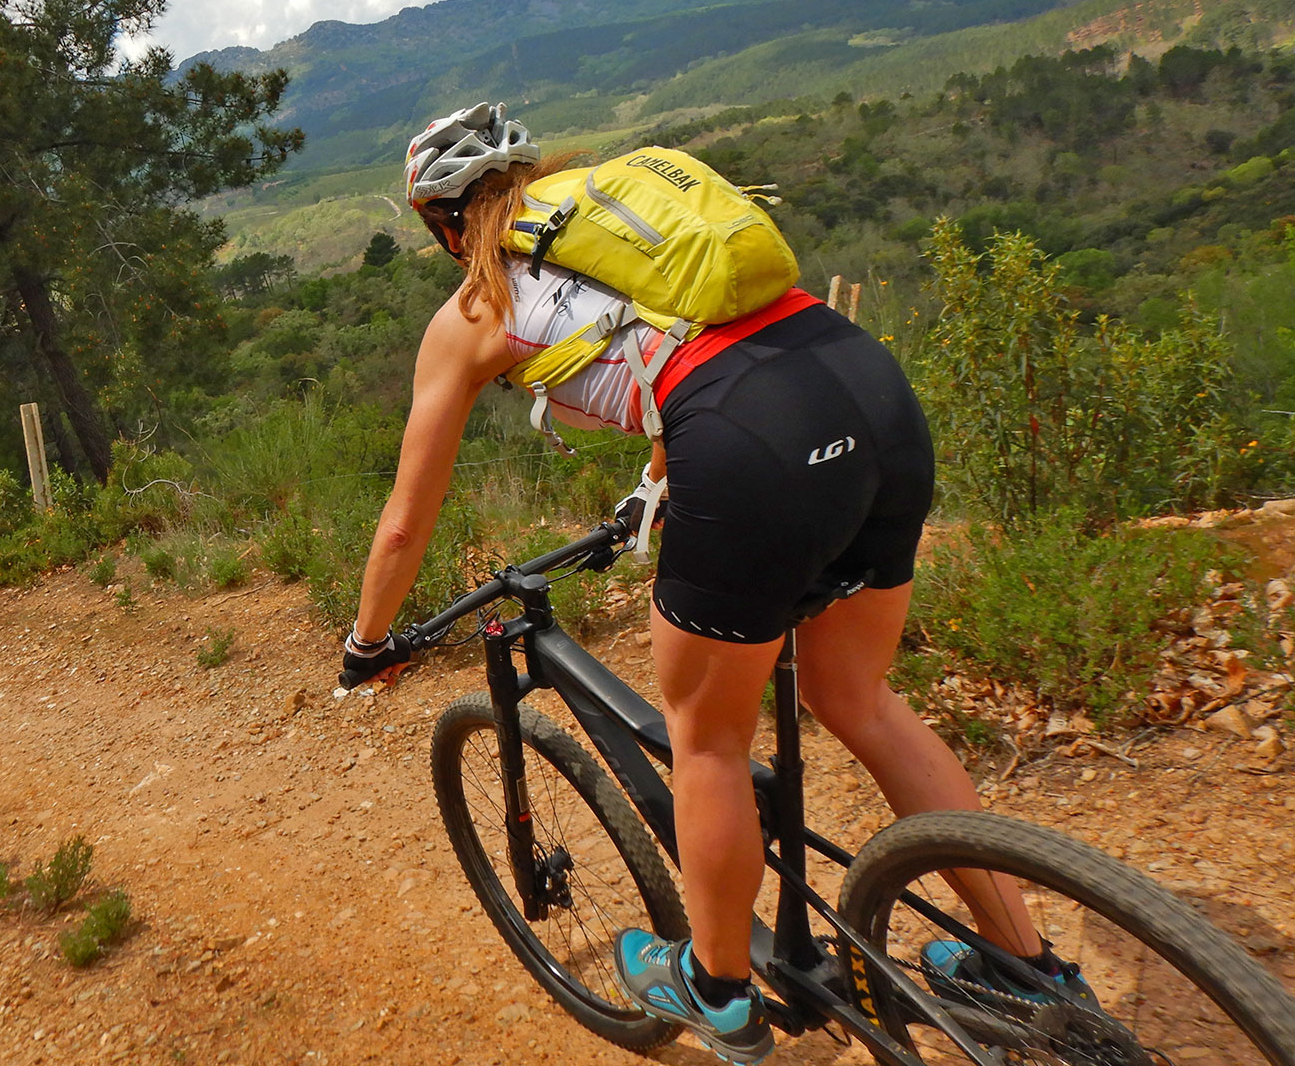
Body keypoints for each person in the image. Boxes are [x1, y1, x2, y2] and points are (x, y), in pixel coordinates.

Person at [339, 103, 1083, 1064]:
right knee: (859, 698)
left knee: (709, 741)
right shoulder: (623, 229)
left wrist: (367, 642)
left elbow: (404, 520)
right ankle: (1029, 968)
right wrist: (662, 472)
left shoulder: (475, 309)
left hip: (748, 446)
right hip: (866, 387)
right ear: (528, 177)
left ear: (443, 224)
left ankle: (719, 993)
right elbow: (692, 347)